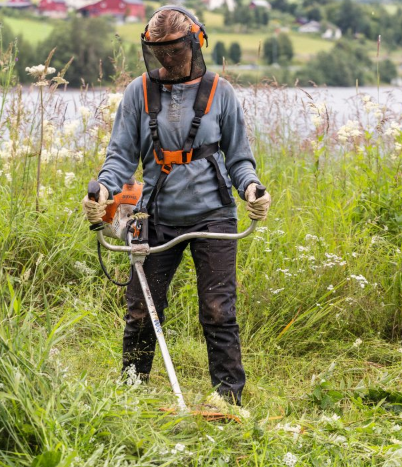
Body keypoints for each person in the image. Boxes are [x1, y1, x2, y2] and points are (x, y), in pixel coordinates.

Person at [82, 5, 271, 406]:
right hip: (157, 216)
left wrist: (252, 188)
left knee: (219, 309)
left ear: (195, 43)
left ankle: (228, 400)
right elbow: (119, 157)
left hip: (214, 215)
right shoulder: (139, 92)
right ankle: (131, 394)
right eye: (160, 54)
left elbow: (238, 158)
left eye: (175, 52)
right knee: (139, 310)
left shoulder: (221, 92)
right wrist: (102, 191)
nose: (168, 61)